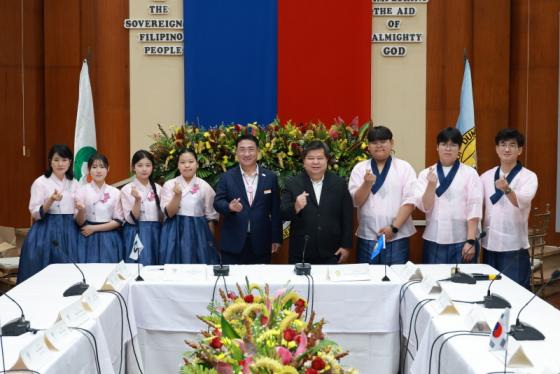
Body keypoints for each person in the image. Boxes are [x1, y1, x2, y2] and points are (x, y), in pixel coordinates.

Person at [348, 126, 416, 265]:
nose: (378, 145)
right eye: (373, 142)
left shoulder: (404, 167)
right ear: (368, 146)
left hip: (397, 236)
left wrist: (394, 228)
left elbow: (410, 201)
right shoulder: (360, 168)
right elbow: (356, 201)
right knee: (368, 281)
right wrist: (366, 184)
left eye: (383, 141)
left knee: (396, 279)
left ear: (392, 143)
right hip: (368, 237)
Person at [481, 128, 538, 288]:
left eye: (512, 145)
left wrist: (507, 189)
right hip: (489, 244)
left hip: (514, 245)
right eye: (503, 145)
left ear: (519, 150)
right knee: (489, 291)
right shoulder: (485, 176)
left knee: (516, 292)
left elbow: (522, 200)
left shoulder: (529, 176)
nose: (507, 149)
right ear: (496, 149)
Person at [416, 127, 483, 264]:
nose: (448, 148)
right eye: (444, 144)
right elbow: (424, 207)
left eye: (453, 145)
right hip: (433, 238)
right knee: (434, 282)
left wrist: (471, 240)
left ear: (459, 149)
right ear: (437, 147)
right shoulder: (425, 174)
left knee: (462, 283)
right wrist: (431, 185)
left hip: (462, 240)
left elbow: (474, 207)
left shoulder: (470, 173)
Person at [281, 140, 353, 264]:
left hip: (332, 251)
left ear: (327, 160)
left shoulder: (339, 184)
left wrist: (346, 246)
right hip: (301, 252)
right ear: (303, 161)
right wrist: (296, 206)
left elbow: (347, 217)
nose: (315, 162)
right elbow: (282, 213)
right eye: (310, 158)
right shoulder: (293, 183)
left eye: (320, 158)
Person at [213, 133, 282, 264]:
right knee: (232, 283)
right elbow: (217, 202)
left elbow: (275, 210)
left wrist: (276, 238)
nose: (246, 154)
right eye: (242, 149)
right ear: (236, 153)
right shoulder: (227, 177)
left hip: (261, 242)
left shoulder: (270, 177)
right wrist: (229, 207)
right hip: (233, 243)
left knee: (260, 283)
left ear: (258, 152)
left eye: (251, 149)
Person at [17, 144, 80, 283]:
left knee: (69, 271)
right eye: (56, 160)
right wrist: (50, 200)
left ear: (70, 162)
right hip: (46, 229)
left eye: (64, 160)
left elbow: (77, 213)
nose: (60, 164)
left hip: (69, 229)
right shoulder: (40, 183)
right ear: (50, 161)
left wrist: (81, 209)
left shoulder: (74, 183)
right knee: (43, 269)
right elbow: (35, 212)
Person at [159, 148, 219, 264]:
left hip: (198, 232)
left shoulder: (204, 186)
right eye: (182, 162)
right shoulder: (169, 184)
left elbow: (210, 217)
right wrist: (177, 195)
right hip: (174, 231)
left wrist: (211, 243)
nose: (187, 165)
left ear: (197, 164)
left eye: (191, 162)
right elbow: (169, 213)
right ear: (178, 165)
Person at [75, 153, 124, 263]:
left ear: (108, 169)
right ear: (89, 169)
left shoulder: (115, 192)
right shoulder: (81, 191)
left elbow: (118, 221)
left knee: (109, 272)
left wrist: (93, 229)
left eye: (102, 167)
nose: (98, 171)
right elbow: (79, 222)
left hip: (109, 237)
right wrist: (81, 210)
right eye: (94, 167)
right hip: (87, 236)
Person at [120, 150, 162, 265]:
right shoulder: (127, 189)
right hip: (136, 232)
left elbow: (163, 216)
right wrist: (137, 200)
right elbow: (131, 219)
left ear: (152, 167)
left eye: (148, 165)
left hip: (156, 233)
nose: (144, 169)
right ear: (133, 167)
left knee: (156, 266)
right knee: (136, 266)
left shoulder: (158, 189)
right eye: (140, 165)